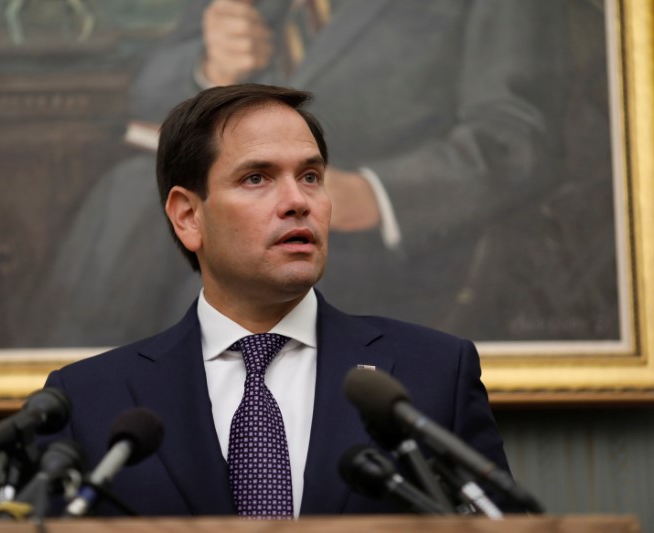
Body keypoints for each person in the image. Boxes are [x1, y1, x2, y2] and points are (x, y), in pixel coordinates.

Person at [21, 0, 615, 351]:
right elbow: (151, 87)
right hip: (246, 235)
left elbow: (517, 139)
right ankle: (68, 402)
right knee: (133, 196)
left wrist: (372, 195)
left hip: (394, 250)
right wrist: (211, 65)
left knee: (188, 294)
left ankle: (63, 420)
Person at [42, 84, 515, 517]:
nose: (297, 201)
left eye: (310, 176)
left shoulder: (431, 373)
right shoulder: (89, 401)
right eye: (256, 178)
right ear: (188, 216)